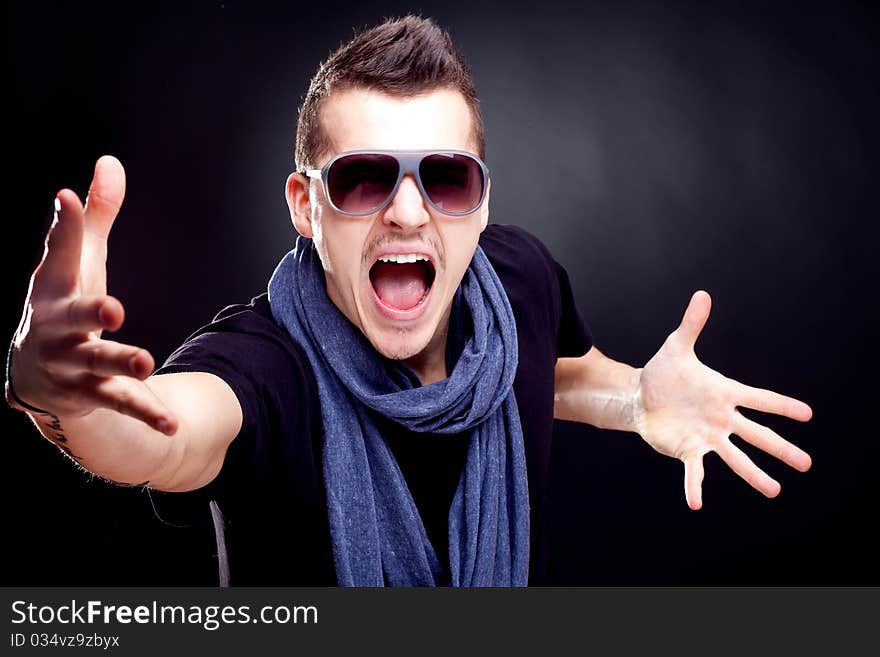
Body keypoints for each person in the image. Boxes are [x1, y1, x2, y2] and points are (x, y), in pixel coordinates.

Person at [5, 16, 813, 586]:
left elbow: (551, 374)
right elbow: (158, 432)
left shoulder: (520, 281)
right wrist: (63, 397)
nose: (408, 209)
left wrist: (634, 397)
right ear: (303, 204)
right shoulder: (265, 369)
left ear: (481, 202)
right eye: (363, 177)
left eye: (445, 176)